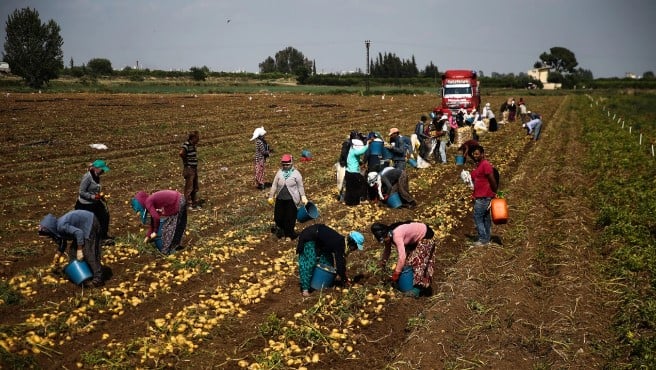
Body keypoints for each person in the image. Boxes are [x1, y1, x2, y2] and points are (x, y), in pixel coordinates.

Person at [38, 210, 105, 288]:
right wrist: (58, 254)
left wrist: (80, 250)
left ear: (51, 230)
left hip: (90, 223)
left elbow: (79, 233)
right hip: (82, 227)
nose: (48, 237)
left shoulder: (61, 226)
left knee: (89, 253)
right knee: (73, 252)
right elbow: (63, 242)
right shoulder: (57, 229)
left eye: (47, 234)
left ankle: (98, 279)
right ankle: (81, 273)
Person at [370, 221, 436, 298]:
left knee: (418, 262)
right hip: (413, 241)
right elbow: (387, 250)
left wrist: (396, 273)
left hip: (425, 236)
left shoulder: (396, 235)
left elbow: (402, 257)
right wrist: (383, 261)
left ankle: (418, 288)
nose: (385, 241)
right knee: (407, 263)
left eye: (385, 239)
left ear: (387, 234)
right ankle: (408, 283)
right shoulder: (388, 236)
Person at [296, 224, 365, 296]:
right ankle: (305, 289)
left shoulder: (342, 243)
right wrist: (344, 279)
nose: (354, 250)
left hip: (320, 241)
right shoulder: (339, 244)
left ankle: (321, 282)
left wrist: (343, 276)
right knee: (309, 263)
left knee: (328, 262)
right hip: (309, 237)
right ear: (351, 244)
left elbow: (341, 261)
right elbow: (340, 265)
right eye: (355, 247)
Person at [130, 190, 187, 255]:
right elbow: (153, 221)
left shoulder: (148, 202)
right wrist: (148, 236)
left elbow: (156, 217)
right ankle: (175, 246)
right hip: (181, 198)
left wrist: (155, 232)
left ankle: (166, 251)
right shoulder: (150, 200)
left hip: (177, 202)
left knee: (168, 227)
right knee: (177, 225)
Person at [74, 159, 113, 245]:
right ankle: (88, 241)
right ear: (96, 168)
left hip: (95, 202)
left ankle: (103, 236)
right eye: (102, 169)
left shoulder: (96, 175)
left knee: (104, 216)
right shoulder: (87, 177)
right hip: (85, 204)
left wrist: (100, 196)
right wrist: (93, 196)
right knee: (91, 222)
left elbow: (94, 189)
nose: (103, 171)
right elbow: (81, 192)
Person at [268, 154, 307, 240]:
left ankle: (289, 235)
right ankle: (282, 230)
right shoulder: (279, 172)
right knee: (278, 217)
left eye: (287, 164)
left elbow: (300, 186)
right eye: (284, 164)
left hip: (291, 199)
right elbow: (274, 185)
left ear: (291, 163)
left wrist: (303, 196)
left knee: (290, 217)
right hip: (280, 198)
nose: (285, 166)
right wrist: (271, 196)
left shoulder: (296, 174)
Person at [469, 145, 498, 246]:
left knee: (477, 217)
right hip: (480, 195)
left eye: (477, 154)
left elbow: (492, 180)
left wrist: (494, 193)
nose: (475, 155)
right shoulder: (479, 164)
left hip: (484, 196)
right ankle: (487, 238)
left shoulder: (485, 164)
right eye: (473, 154)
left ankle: (482, 239)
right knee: (485, 217)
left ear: (482, 154)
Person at [344, 138, 370, 206]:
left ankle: (349, 202)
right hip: (354, 173)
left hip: (348, 172)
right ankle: (362, 199)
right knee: (363, 184)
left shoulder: (350, 150)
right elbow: (361, 152)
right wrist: (367, 144)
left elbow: (356, 159)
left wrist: (361, 163)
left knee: (350, 188)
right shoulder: (354, 151)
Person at [180, 130, 201, 210]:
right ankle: (188, 204)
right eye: (197, 138)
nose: (198, 140)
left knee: (195, 186)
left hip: (193, 168)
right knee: (189, 187)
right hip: (189, 169)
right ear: (193, 138)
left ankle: (194, 203)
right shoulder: (187, 145)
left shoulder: (193, 145)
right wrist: (186, 161)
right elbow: (181, 153)